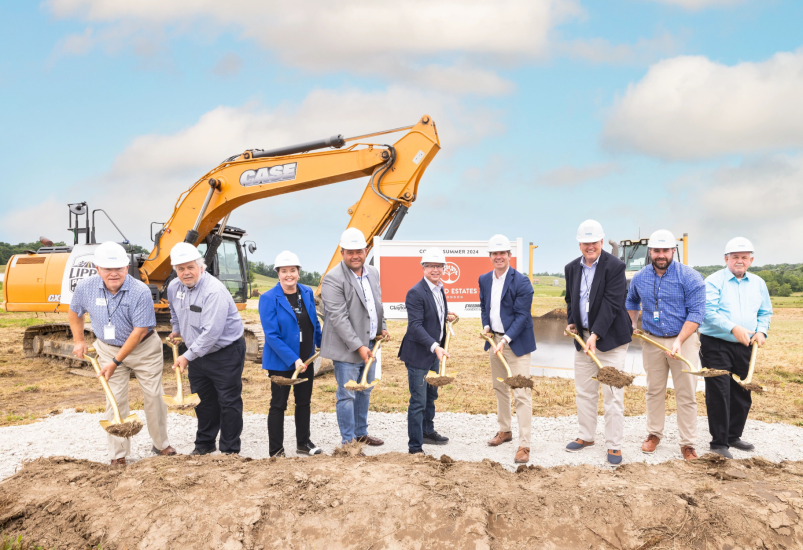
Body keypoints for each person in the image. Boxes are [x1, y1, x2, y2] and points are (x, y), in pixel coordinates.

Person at [68, 241, 174, 466]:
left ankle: (160, 443)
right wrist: (79, 340)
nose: (113, 274)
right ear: (98, 269)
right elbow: (75, 311)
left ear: (127, 268)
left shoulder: (139, 291)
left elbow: (139, 331)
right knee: (114, 399)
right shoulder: (86, 287)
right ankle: (118, 454)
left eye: (118, 269)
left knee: (154, 395)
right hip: (108, 347)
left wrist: (117, 361)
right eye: (107, 269)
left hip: (143, 348)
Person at [626, 229, 705, 461]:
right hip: (652, 340)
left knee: (686, 393)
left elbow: (697, 312)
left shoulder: (689, 277)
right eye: (656, 250)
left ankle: (688, 444)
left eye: (665, 251)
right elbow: (631, 299)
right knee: (654, 390)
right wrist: (633, 321)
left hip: (684, 339)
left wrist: (679, 341)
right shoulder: (640, 277)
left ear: (673, 251)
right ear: (650, 252)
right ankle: (654, 434)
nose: (661, 255)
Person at [167, 242, 246, 456]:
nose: (186, 273)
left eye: (190, 267)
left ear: (201, 267)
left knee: (228, 400)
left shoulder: (214, 291)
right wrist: (176, 330)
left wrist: (186, 356)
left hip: (225, 352)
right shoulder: (174, 287)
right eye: (181, 268)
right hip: (197, 351)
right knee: (203, 400)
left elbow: (212, 332)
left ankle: (230, 450)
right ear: (176, 270)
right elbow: (174, 311)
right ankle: (205, 444)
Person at [565, 220, 633, 465]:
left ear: (602, 242)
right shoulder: (571, 268)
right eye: (585, 242)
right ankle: (586, 436)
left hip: (610, 339)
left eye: (594, 242)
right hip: (583, 338)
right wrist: (572, 322)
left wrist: (595, 334)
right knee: (584, 390)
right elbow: (571, 299)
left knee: (613, 393)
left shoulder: (615, 266)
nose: (590, 246)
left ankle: (614, 445)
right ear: (579, 244)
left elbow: (612, 303)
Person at [699, 237, 772, 458]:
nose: (739, 261)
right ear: (726, 259)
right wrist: (733, 328)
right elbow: (708, 312)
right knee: (719, 391)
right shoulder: (713, 280)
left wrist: (761, 331)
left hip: (746, 344)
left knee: (742, 390)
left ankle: (733, 436)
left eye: (744, 257)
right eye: (735, 257)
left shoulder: (758, 283)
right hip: (716, 343)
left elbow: (764, 312)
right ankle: (719, 443)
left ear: (750, 259)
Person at [320, 228, 389, 448]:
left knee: (365, 391)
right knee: (347, 394)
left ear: (366, 250)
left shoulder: (373, 272)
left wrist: (382, 327)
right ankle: (348, 442)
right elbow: (339, 318)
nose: (355, 256)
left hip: (370, 344)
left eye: (358, 251)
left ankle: (361, 434)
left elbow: (376, 304)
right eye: (350, 252)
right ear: (342, 252)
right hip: (347, 347)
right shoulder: (333, 279)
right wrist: (359, 346)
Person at [259, 250, 323, 457]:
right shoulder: (268, 298)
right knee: (278, 404)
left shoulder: (306, 293)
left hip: (306, 357)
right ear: (278, 273)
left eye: (292, 270)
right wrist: (293, 359)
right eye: (284, 271)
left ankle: (303, 443)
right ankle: (276, 450)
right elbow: (272, 335)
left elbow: (313, 322)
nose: (289, 275)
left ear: (298, 272)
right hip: (280, 361)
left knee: (303, 402)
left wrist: (321, 343)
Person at [479, 234, 536, 464]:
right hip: (495, 341)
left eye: (502, 253)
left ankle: (525, 444)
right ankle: (505, 430)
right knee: (500, 388)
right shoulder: (484, 279)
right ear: (490, 256)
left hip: (516, 344)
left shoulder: (521, 282)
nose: (498, 257)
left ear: (509, 256)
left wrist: (505, 340)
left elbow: (523, 316)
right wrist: (486, 326)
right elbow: (485, 307)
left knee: (521, 394)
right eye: (494, 253)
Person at [398, 248, 457, 454]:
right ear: (423, 268)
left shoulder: (439, 289)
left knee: (431, 395)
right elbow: (415, 325)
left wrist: (445, 315)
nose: (435, 269)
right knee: (418, 401)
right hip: (418, 354)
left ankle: (427, 431)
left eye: (439, 266)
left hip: (434, 353)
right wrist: (435, 346)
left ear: (444, 268)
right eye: (431, 266)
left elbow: (431, 314)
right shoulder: (415, 292)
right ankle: (415, 446)